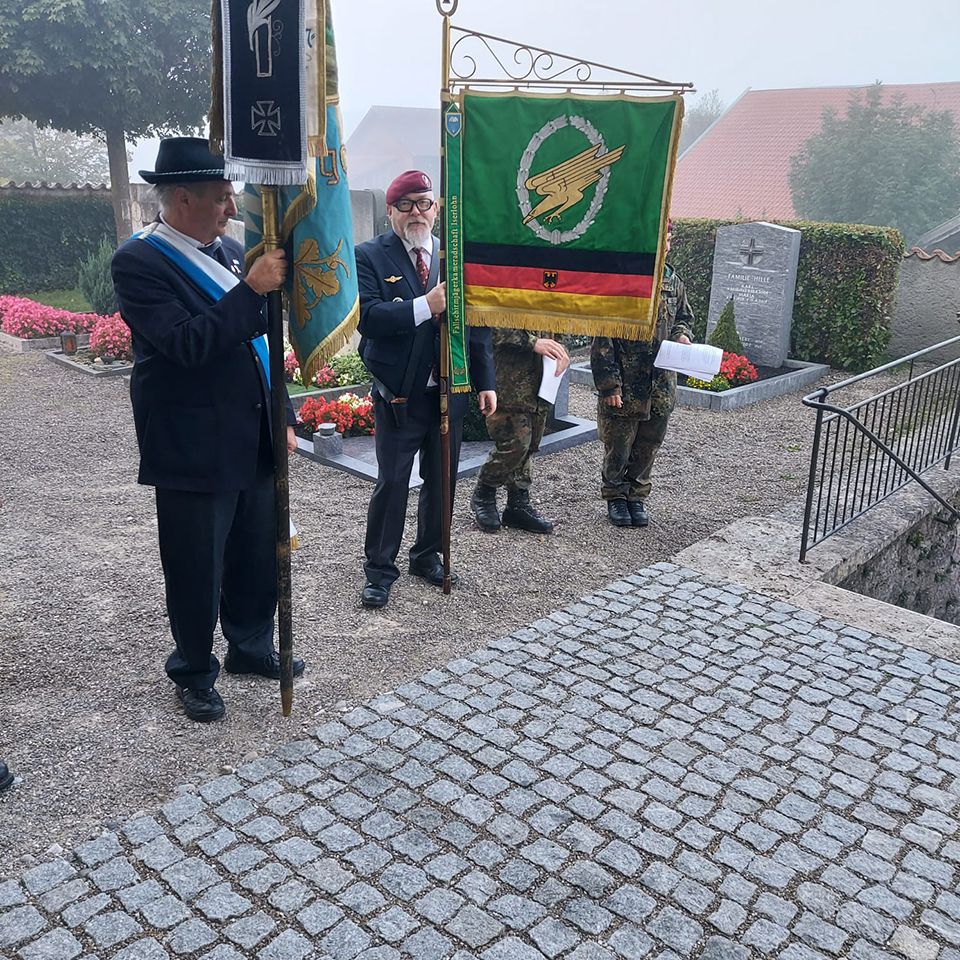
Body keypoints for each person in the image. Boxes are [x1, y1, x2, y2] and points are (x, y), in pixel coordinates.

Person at [111, 137, 305, 723]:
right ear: (183, 197)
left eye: (231, 197)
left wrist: (285, 414)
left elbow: (259, 345)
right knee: (197, 565)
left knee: (255, 552)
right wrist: (250, 291)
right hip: (192, 442)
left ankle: (249, 646)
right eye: (221, 198)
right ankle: (194, 670)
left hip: (253, 431)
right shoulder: (139, 262)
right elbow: (185, 345)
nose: (230, 209)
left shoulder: (225, 250)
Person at [357, 170, 497, 609]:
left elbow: (475, 324)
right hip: (399, 393)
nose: (416, 212)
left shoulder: (454, 255)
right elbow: (370, 318)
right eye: (406, 204)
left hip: (448, 391)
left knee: (442, 480)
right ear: (391, 211)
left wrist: (484, 381)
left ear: (436, 208)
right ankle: (380, 569)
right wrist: (424, 305)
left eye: (424, 203)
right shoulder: (370, 255)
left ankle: (428, 554)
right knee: (393, 482)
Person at [590, 221, 694, 527]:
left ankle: (636, 494)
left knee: (649, 443)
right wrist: (610, 386)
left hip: (661, 382)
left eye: (670, 238)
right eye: (663, 236)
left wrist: (682, 334)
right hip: (627, 378)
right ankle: (615, 495)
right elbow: (603, 335)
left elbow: (684, 317)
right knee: (619, 444)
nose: (667, 243)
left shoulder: (672, 280)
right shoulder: (623, 278)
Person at [469, 330, 569, 534]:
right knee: (515, 444)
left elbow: (561, 317)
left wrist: (562, 349)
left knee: (531, 445)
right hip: (509, 380)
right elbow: (489, 327)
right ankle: (484, 492)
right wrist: (532, 341)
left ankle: (518, 502)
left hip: (542, 378)